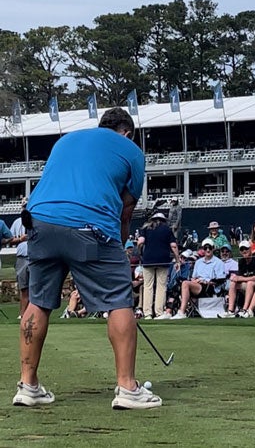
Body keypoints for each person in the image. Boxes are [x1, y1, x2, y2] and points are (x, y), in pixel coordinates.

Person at [14, 107, 161, 409]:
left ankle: (28, 386)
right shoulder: (131, 150)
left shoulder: (67, 140)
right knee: (119, 300)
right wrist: (118, 248)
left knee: (38, 301)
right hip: (89, 228)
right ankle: (127, 388)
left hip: (39, 223)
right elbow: (126, 210)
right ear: (128, 132)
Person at [137, 212, 179, 319]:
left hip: (148, 260)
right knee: (161, 286)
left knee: (148, 286)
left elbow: (140, 242)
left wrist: (141, 253)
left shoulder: (146, 229)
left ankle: (147, 313)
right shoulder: (167, 230)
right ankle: (159, 312)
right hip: (163, 260)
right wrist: (178, 260)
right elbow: (173, 246)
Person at [171, 238, 225, 319]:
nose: (207, 250)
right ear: (203, 249)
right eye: (205, 248)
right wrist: (195, 280)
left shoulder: (218, 262)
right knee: (176, 286)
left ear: (213, 248)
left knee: (185, 283)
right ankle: (168, 311)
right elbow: (193, 277)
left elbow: (220, 280)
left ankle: (182, 312)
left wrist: (205, 281)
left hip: (209, 287)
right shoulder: (198, 262)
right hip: (197, 285)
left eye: (209, 247)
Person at [220, 240, 255, 318]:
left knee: (250, 282)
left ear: (250, 249)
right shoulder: (241, 262)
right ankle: (230, 311)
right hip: (251, 286)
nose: (244, 251)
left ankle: (245, 310)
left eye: (246, 249)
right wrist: (237, 278)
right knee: (233, 283)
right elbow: (240, 277)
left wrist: (240, 278)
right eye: (242, 249)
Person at [11, 197, 29, 318]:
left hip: (35, 257)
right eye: (24, 206)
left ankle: (31, 314)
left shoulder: (38, 220)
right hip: (22, 256)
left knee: (34, 288)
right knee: (23, 289)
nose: (25, 208)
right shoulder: (17, 222)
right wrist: (20, 239)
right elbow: (10, 239)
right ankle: (22, 314)